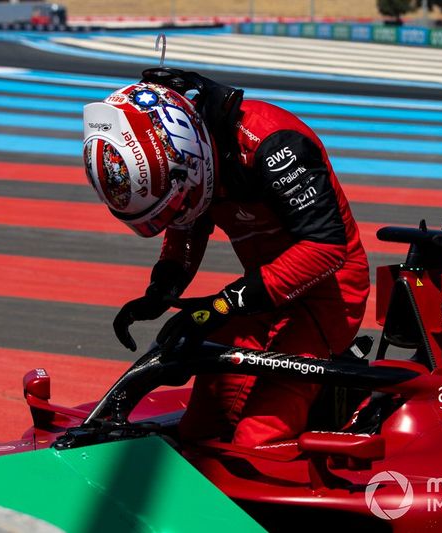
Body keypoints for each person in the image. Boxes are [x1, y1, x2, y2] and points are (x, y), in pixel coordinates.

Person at [82, 69, 370, 447]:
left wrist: (223, 305)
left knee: (256, 437)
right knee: (201, 425)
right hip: (260, 291)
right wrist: (162, 290)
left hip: (328, 292)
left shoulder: (275, 144)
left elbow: (325, 248)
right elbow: (187, 220)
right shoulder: (188, 155)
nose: (178, 211)